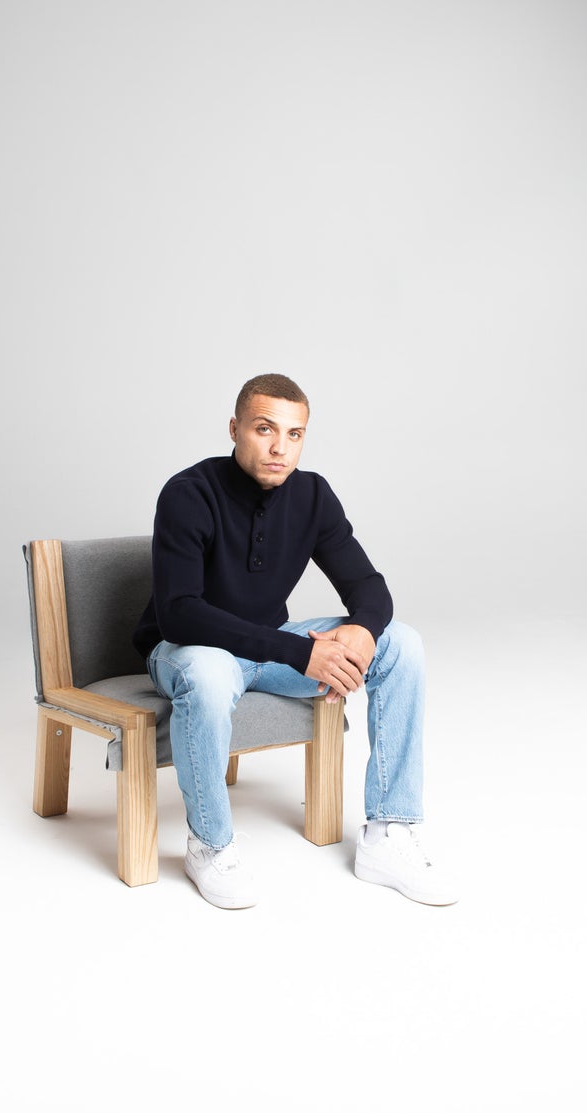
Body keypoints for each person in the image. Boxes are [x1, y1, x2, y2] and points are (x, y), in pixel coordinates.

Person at [132, 373, 454, 909]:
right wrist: (305, 652)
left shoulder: (312, 495)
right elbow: (181, 616)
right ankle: (210, 845)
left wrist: (362, 631)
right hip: (189, 652)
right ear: (235, 429)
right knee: (211, 674)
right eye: (264, 429)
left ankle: (388, 834)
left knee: (402, 643)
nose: (281, 447)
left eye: (295, 434)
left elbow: (369, 587)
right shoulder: (189, 493)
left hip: (271, 648)